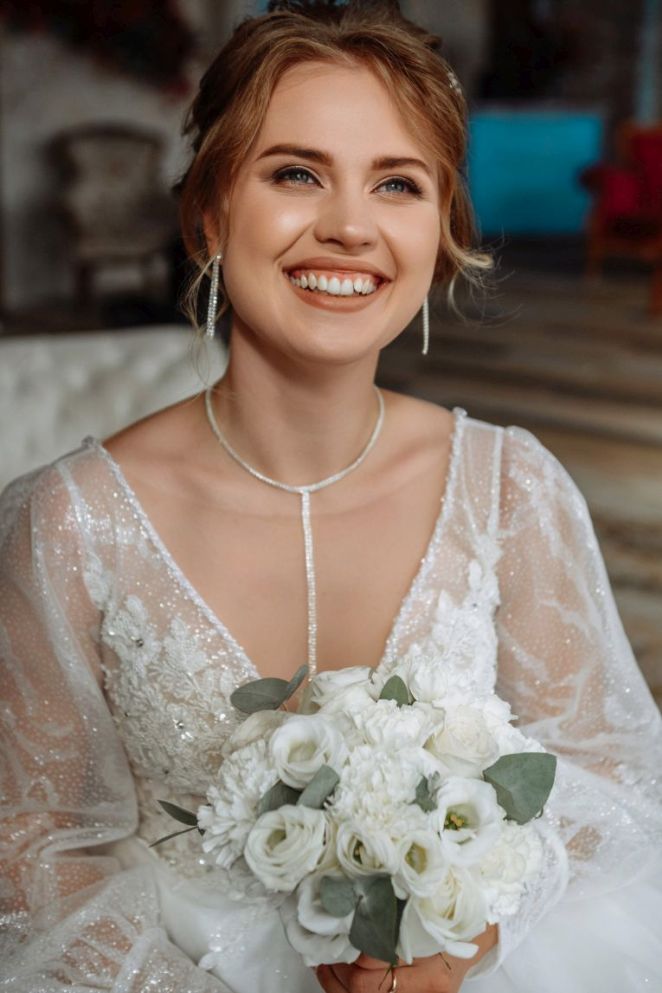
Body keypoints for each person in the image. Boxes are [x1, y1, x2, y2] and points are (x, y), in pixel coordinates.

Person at [1, 2, 662, 991]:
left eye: (397, 183)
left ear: (440, 230)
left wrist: (466, 936)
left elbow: (609, 779)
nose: (350, 226)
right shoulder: (71, 523)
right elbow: (33, 844)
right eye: (295, 173)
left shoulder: (511, 489)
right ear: (211, 213)